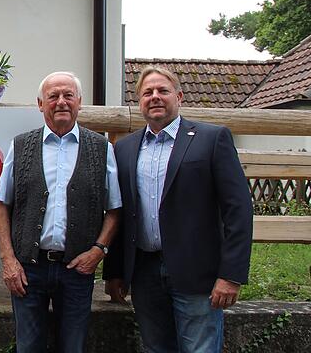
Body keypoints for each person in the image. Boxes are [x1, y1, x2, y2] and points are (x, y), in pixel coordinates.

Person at [103, 66, 253, 353]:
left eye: (163, 91)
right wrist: (115, 271)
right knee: (156, 348)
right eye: (148, 92)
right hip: (144, 273)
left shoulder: (212, 139)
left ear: (179, 96)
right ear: (139, 101)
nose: (155, 97)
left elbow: (239, 209)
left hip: (197, 274)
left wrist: (231, 275)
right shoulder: (124, 148)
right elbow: (121, 212)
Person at [0, 71, 122, 352]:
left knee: (73, 348)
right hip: (29, 269)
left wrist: (99, 250)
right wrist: (8, 260)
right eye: (53, 96)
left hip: (78, 270)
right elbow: (2, 203)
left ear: (79, 102)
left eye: (68, 95)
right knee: (27, 347)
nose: (61, 102)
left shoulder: (102, 148)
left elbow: (114, 209)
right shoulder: (21, 145)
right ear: (41, 104)